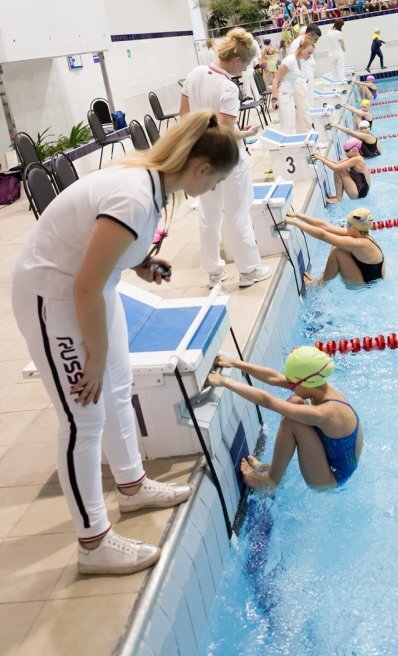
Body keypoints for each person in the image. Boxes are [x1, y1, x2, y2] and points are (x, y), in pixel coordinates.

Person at [11, 112, 240, 575]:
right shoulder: (136, 196)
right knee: (83, 417)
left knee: (117, 389)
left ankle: (132, 486)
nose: (213, 190)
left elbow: (99, 249)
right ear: (200, 168)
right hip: (53, 297)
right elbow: (83, 286)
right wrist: (91, 357)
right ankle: (92, 543)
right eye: (215, 181)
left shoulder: (152, 184)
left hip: (91, 287)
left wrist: (140, 263)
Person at [180, 29, 274, 289]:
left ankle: (214, 273)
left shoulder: (195, 74)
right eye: (244, 64)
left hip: (202, 160)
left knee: (209, 216)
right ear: (236, 60)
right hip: (228, 161)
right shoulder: (228, 89)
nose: (243, 69)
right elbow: (226, 133)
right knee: (237, 214)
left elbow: (184, 116)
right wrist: (248, 132)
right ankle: (248, 270)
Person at [207, 346, 362, 491]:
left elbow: (268, 401)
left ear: (305, 382)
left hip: (331, 477)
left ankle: (270, 482)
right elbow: (273, 377)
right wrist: (235, 363)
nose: (290, 385)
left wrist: (224, 381)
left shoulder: (326, 412)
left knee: (291, 421)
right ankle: (274, 468)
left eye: (292, 383)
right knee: (295, 402)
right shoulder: (317, 384)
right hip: (334, 461)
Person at [285, 207, 385, 285]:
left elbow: (323, 235)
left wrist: (295, 223)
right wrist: (298, 215)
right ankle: (323, 277)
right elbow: (326, 227)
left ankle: (319, 284)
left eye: (348, 224)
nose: (346, 226)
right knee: (337, 247)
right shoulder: (360, 233)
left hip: (367, 282)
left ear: (354, 228)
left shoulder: (359, 243)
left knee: (336, 252)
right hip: (372, 274)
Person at [271, 37, 315, 134]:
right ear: (301, 48)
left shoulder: (298, 61)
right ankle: (286, 148)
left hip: (290, 95)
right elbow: (276, 79)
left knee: (292, 126)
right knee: (287, 127)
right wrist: (274, 99)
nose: (309, 56)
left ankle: (292, 148)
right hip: (283, 94)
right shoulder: (289, 60)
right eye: (308, 52)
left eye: (311, 54)